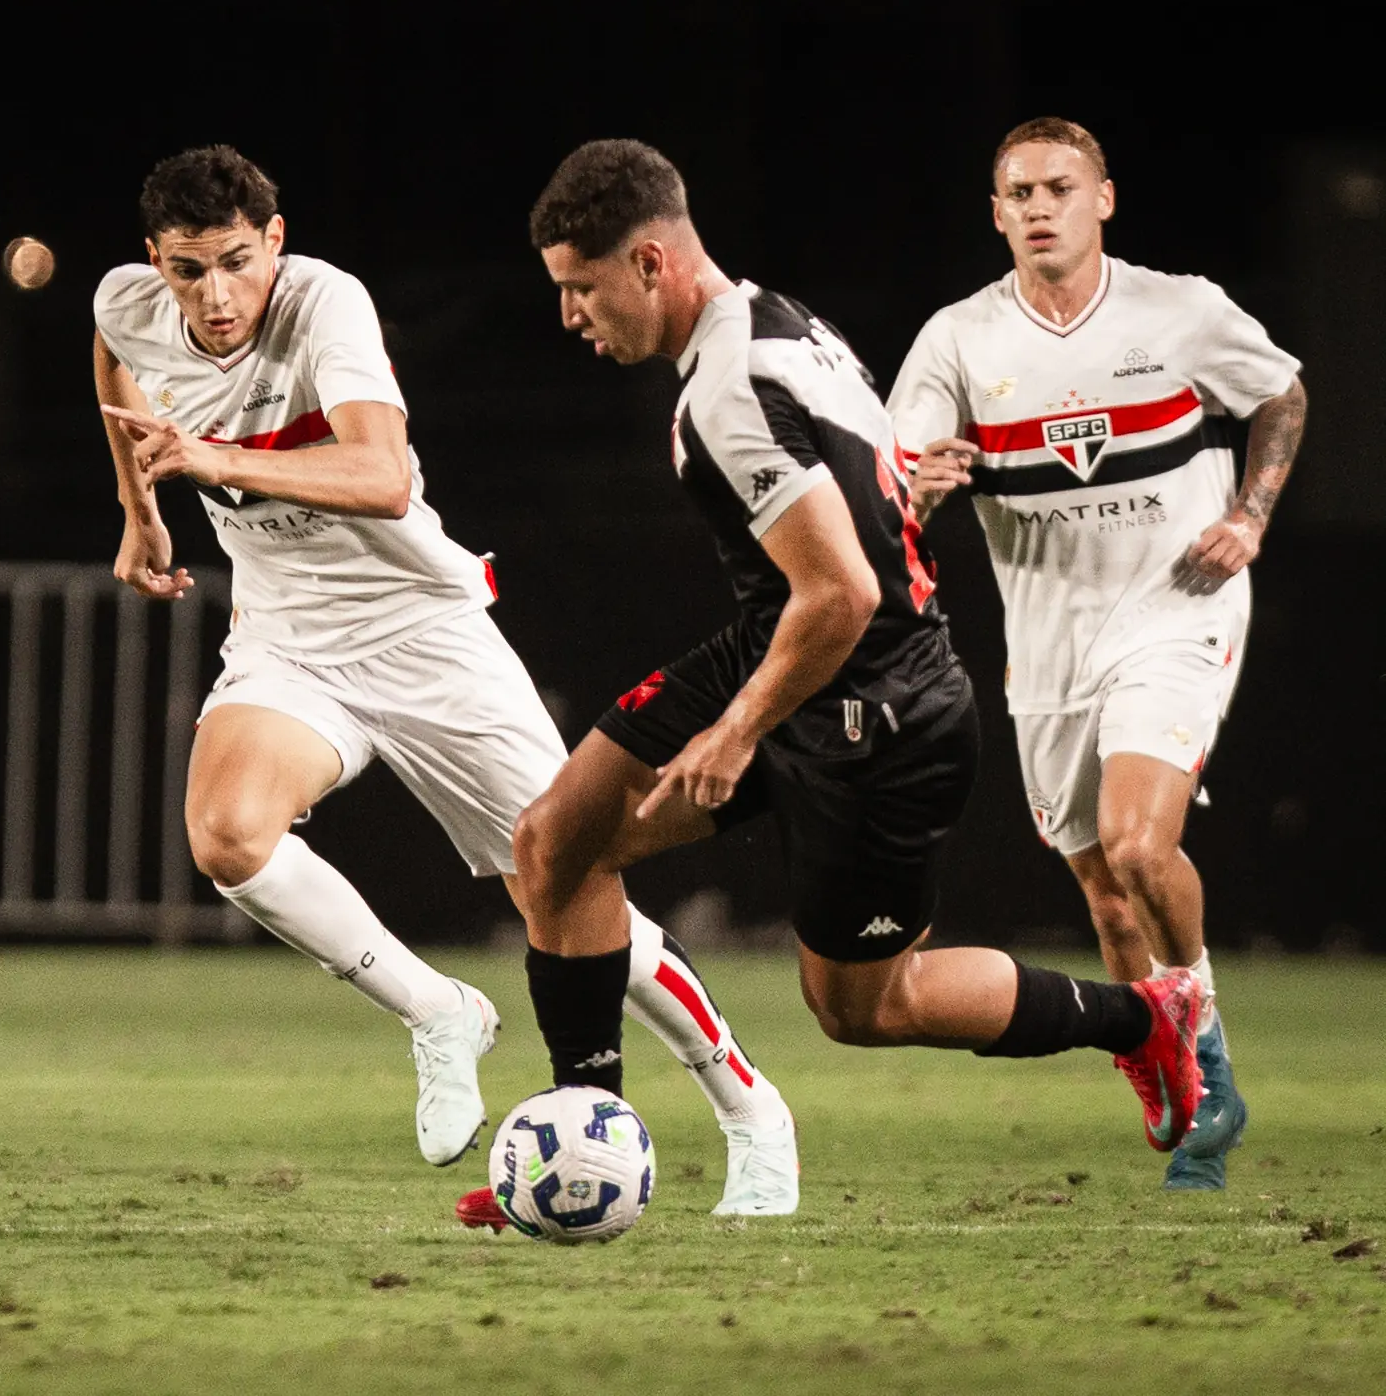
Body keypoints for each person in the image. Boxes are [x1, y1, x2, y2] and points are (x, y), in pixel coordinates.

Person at [456, 139, 1209, 1229]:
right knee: (551, 844)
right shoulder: (777, 322)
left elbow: (844, 592)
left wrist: (733, 733)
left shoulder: (730, 386)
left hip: (879, 712)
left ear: (650, 263)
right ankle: (584, 1149)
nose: (570, 315)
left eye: (582, 287)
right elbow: (859, 513)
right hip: (787, 649)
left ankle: (1142, 1019)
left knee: (864, 1008)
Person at [95, 145, 799, 1211]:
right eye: (189, 271)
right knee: (227, 834)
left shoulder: (324, 304)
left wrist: (210, 458)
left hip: (423, 631)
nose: (217, 294)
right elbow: (112, 356)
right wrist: (138, 509)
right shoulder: (128, 303)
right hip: (289, 639)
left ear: (274, 241)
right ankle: (438, 1012)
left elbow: (382, 477)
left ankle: (750, 1107)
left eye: (237, 261)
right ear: (157, 262)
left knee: (566, 888)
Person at [888, 118, 1305, 1189]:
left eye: (1059, 188)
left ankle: (1208, 1059)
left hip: (1179, 609)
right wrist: (919, 491)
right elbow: (895, 490)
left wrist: (1250, 514)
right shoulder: (958, 340)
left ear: (1103, 199)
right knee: (1105, 893)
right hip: (1048, 646)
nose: (1039, 207)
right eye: (1019, 192)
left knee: (1136, 845)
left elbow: (1281, 392)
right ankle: (1159, 1057)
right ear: (995, 214)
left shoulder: (1180, 309)